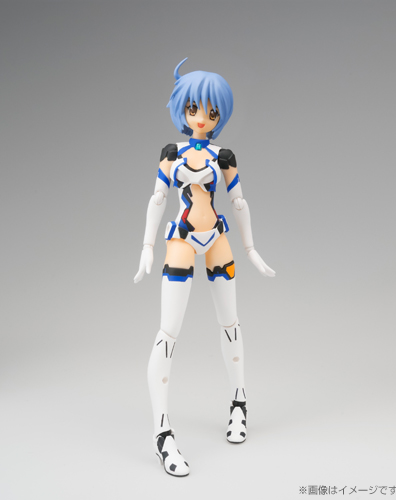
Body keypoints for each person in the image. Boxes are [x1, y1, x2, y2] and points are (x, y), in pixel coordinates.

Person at [134, 58, 275, 477]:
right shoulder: (172, 154)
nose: (201, 117)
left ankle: (239, 403)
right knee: (167, 334)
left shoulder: (223, 156)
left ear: (220, 115)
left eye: (211, 111)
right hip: (180, 239)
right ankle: (162, 433)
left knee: (230, 323)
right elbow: (158, 199)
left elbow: (239, 202)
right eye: (194, 108)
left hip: (217, 239)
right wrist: (146, 245)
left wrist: (250, 248)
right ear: (183, 108)